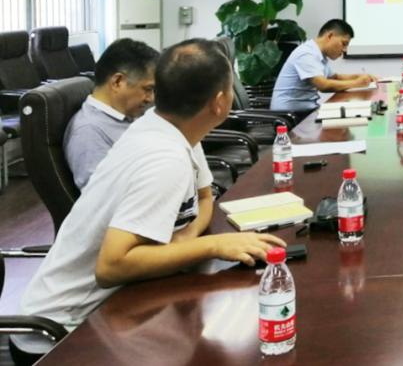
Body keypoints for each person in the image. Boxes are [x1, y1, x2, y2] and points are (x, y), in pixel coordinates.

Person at [11, 40, 286, 365]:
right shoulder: (163, 158)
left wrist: (183, 240)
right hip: (63, 335)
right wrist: (212, 245)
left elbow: (204, 197)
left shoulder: (173, 129)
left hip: (122, 305)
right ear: (219, 102)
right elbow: (111, 266)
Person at [63, 38, 159, 189]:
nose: (150, 98)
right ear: (117, 82)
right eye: (147, 89)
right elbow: (101, 196)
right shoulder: (89, 132)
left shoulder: (128, 115)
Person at [270, 19, 375, 112]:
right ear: (330, 36)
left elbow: (334, 77)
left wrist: (360, 77)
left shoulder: (318, 53)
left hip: (304, 111)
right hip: (289, 117)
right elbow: (323, 85)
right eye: (344, 43)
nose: (345, 50)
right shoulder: (306, 53)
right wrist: (357, 83)